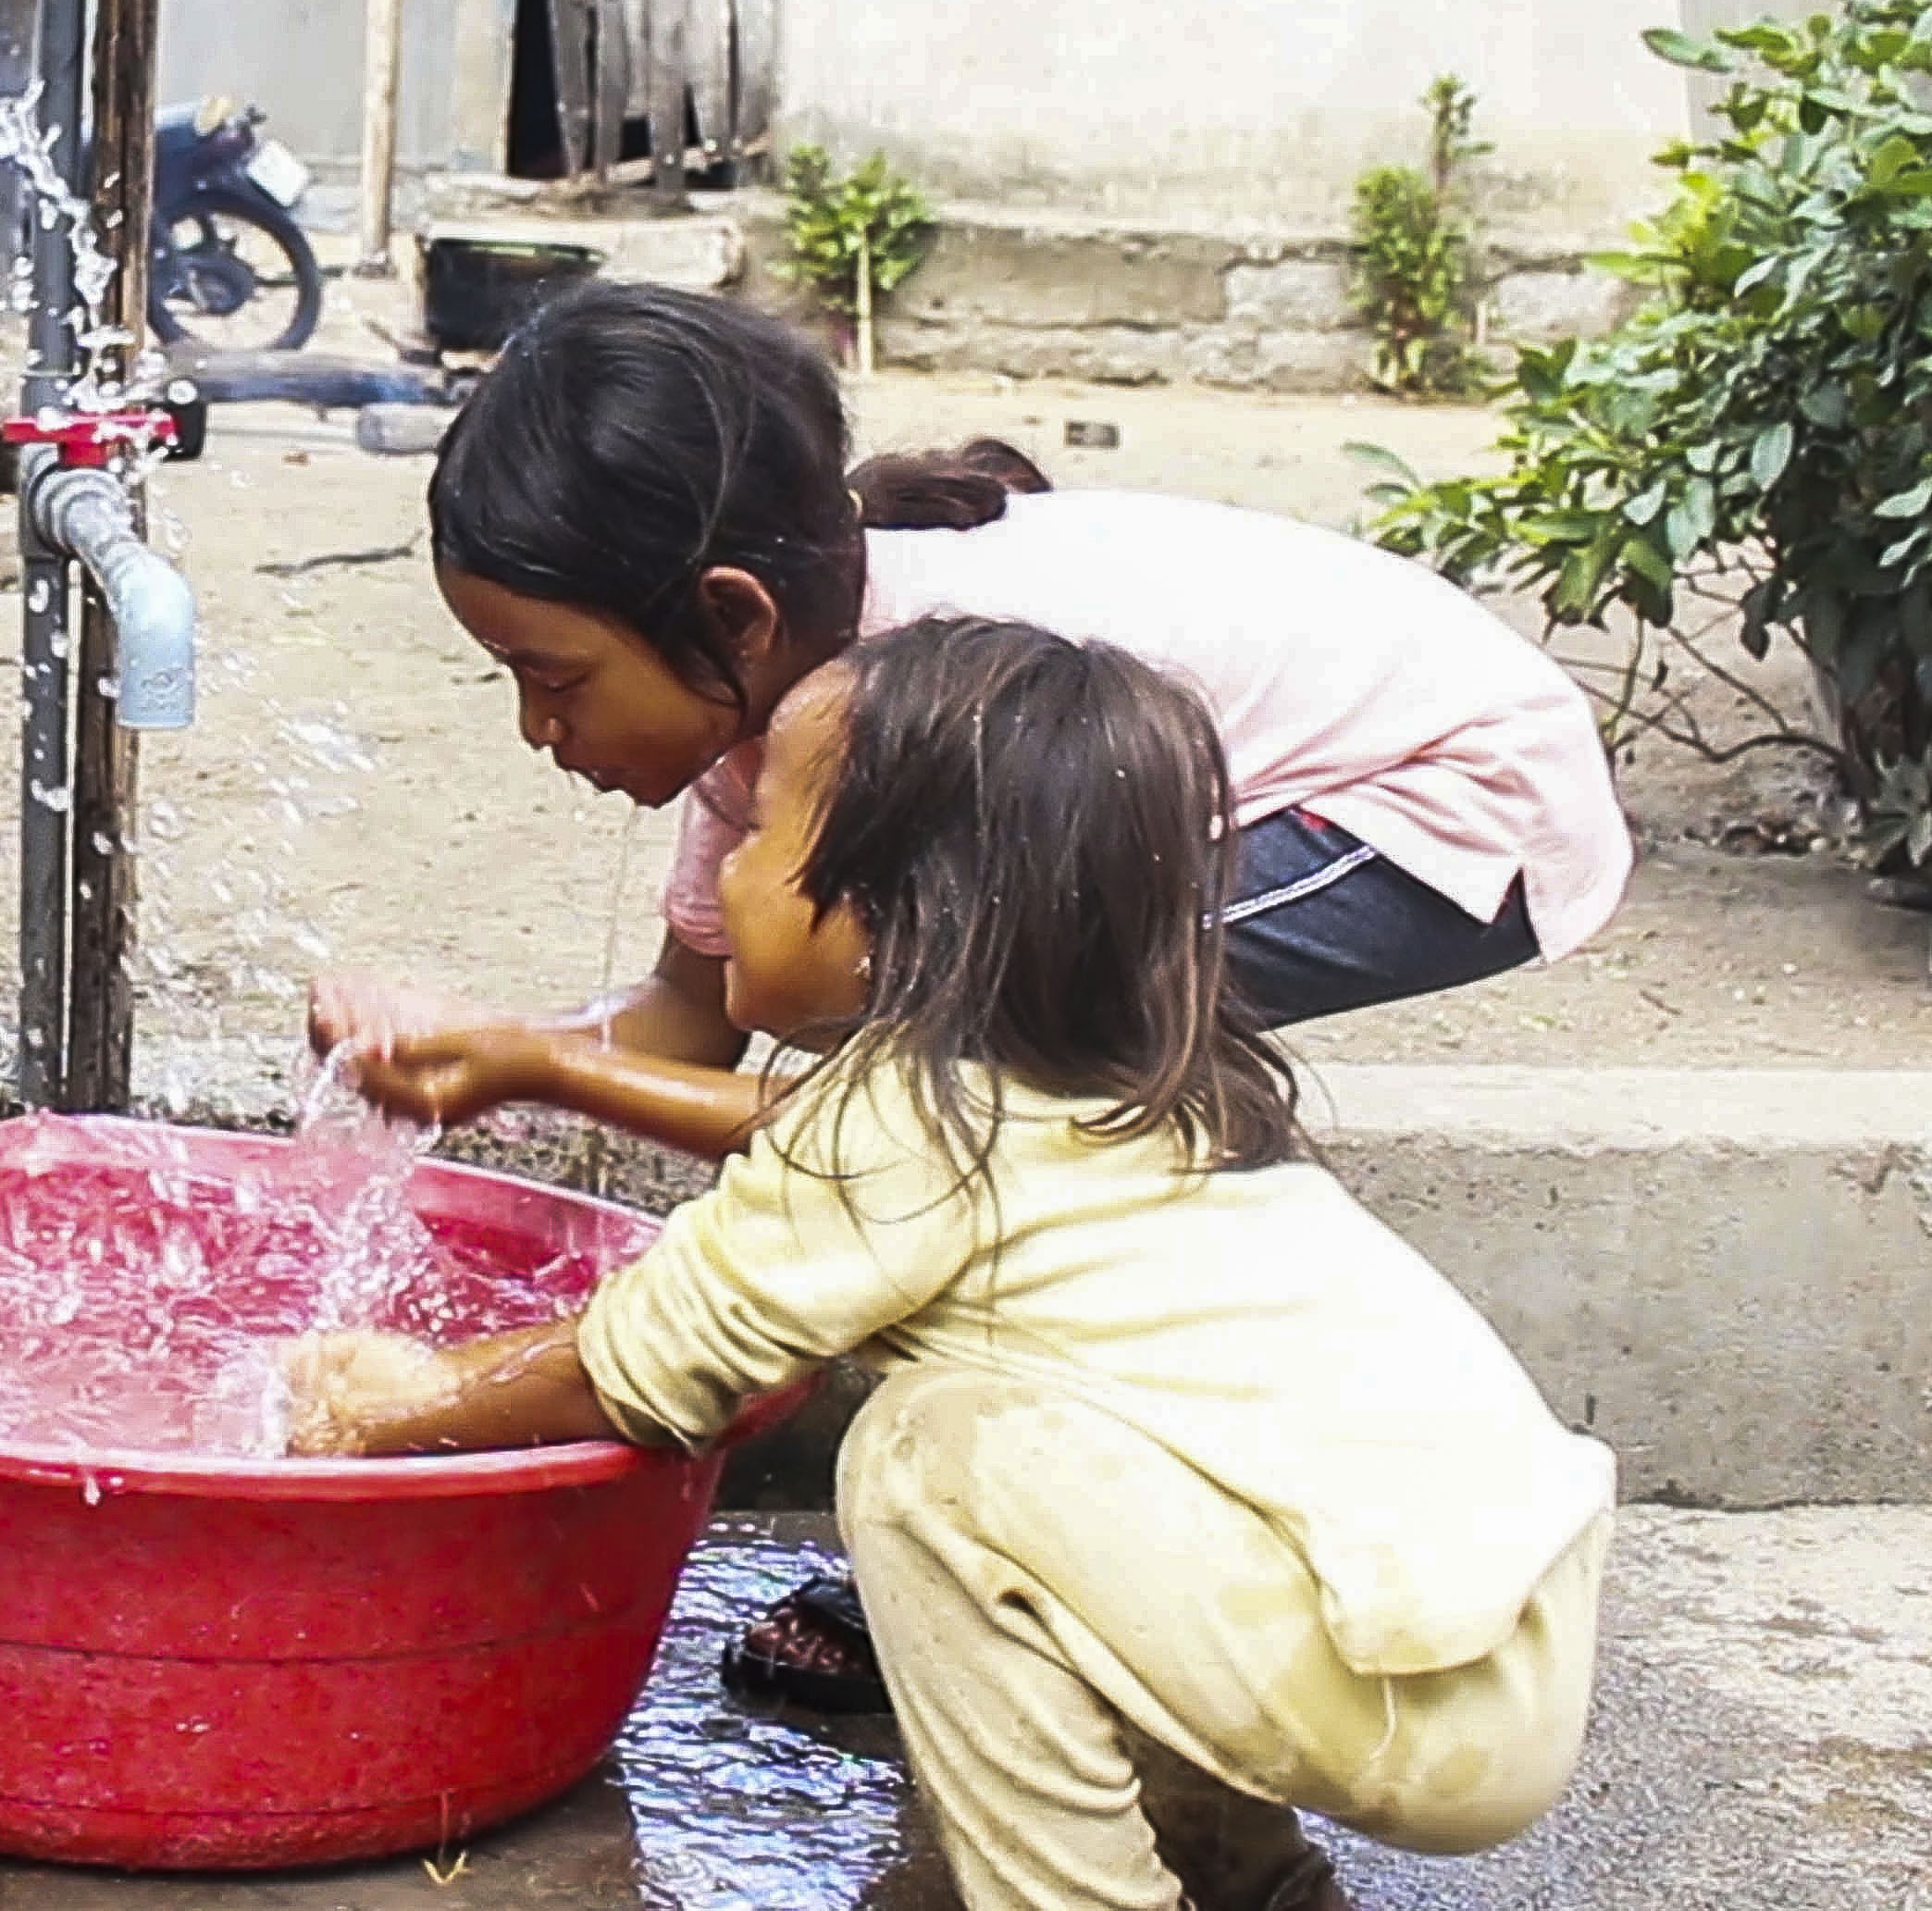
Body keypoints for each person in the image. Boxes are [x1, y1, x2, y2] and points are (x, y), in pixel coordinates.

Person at [306, 280, 1630, 1706]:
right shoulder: (771, 714)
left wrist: (538, 1085)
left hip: (1436, 796)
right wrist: (482, 1047)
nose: (537, 728)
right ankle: (1065, 1530)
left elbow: (898, 1131)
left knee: (1012, 1105)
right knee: (978, 1093)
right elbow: (690, 1028)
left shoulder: (949, 713)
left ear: (730, 617)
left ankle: (1080, 1564)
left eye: (550, 674)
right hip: (1295, 776)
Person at [288, 618, 1615, 1911]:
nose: (725, 875)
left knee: (933, 1463)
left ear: (889, 910)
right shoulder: (1091, 1087)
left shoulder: (913, 1129)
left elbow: (645, 1364)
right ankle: (1256, 1889)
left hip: (1409, 1682)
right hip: (1479, 1636)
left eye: (758, 835)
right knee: (1076, 1528)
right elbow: (809, 1140)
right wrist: (546, 1064)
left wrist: (393, 1405)